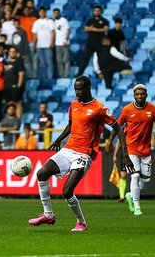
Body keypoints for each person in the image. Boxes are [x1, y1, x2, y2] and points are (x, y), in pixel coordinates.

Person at [28, 75, 133, 232]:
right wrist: (58, 140)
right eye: (75, 89)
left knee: (67, 191)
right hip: (68, 149)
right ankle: (48, 215)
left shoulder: (99, 108)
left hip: (85, 153)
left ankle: (81, 223)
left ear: (88, 89)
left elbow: (119, 129)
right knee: (41, 173)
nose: (77, 92)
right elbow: (70, 125)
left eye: (80, 89)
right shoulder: (74, 105)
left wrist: (125, 154)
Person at [105, 84, 155, 216]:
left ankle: (130, 195)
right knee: (135, 175)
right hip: (131, 149)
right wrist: (109, 141)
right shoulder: (127, 110)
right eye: (137, 94)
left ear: (146, 95)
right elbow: (117, 127)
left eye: (142, 94)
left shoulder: (153, 109)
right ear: (134, 95)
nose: (139, 96)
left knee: (145, 180)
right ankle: (137, 207)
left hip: (146, 150)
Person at [76, 6, 109, 77]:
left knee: (101, 59)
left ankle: (101, 74)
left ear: (100, 11)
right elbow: (85, 29)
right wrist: (96, 29)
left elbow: (105, 29)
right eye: (95, 11)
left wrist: (93, 29)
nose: (97, 12)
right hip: (90, 42)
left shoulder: (104, 20)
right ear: (94, 11)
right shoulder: (90, 20)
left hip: (100, 43)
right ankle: (79, 74)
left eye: (98, 11)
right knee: (85, 59)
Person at [32, 7, 54, 80]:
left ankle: (50, 77)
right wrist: (34, 44)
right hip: (39, 45)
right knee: (42, 63)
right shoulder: (36, 22)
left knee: (49, 62)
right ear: (39, 13)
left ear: (45, 12)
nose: (42, 13)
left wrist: (52, 42)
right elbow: (35, 34)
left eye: (43, 12)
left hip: (48, 45)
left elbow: (52, 32)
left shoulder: (50, 21)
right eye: (40, 12)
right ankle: (43, 78)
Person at [3, 46, 25, 118]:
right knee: (9, 103)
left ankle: (18, 120)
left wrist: (19, 86)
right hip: (7, 86)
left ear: (16, 53)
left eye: (14, 52)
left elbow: (21, 74)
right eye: (11, 52)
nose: (12, 53)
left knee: (17, 103)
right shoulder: (6, 63)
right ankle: (11, 119)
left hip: (15, 86)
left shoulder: (19, 63)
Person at [53, 8, 70, 78]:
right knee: (59, 61)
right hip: (57, 44)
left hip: (64, 43)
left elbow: (68, 31)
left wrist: (65, 40)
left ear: (60, 13)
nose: (56, 14)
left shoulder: (64, 20)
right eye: (55, 13)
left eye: (57, 13)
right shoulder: (54, 22)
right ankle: (61, 75)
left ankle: (66, 74)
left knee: (66, 60)